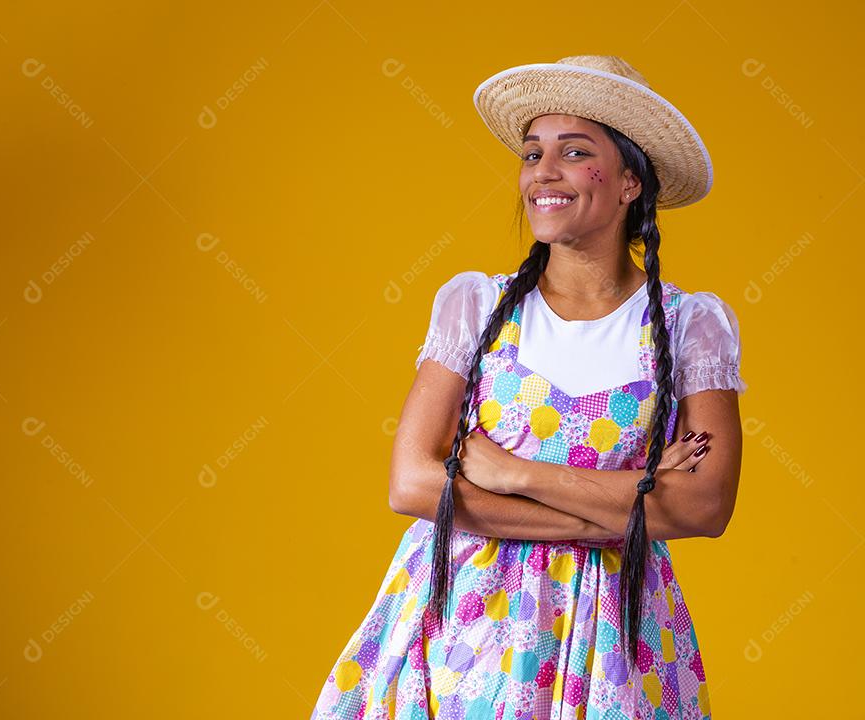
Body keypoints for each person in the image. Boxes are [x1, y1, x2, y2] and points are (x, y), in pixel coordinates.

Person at [310, 55, 746, 720]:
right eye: (532, 153)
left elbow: (704, 507)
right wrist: (632, 505)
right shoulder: (475, 307)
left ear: (630, 182)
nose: (542, 171)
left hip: (614, 641)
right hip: (464, 626)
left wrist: (509, 472)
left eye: (573, 152)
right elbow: (413, 485)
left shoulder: (691, 327)